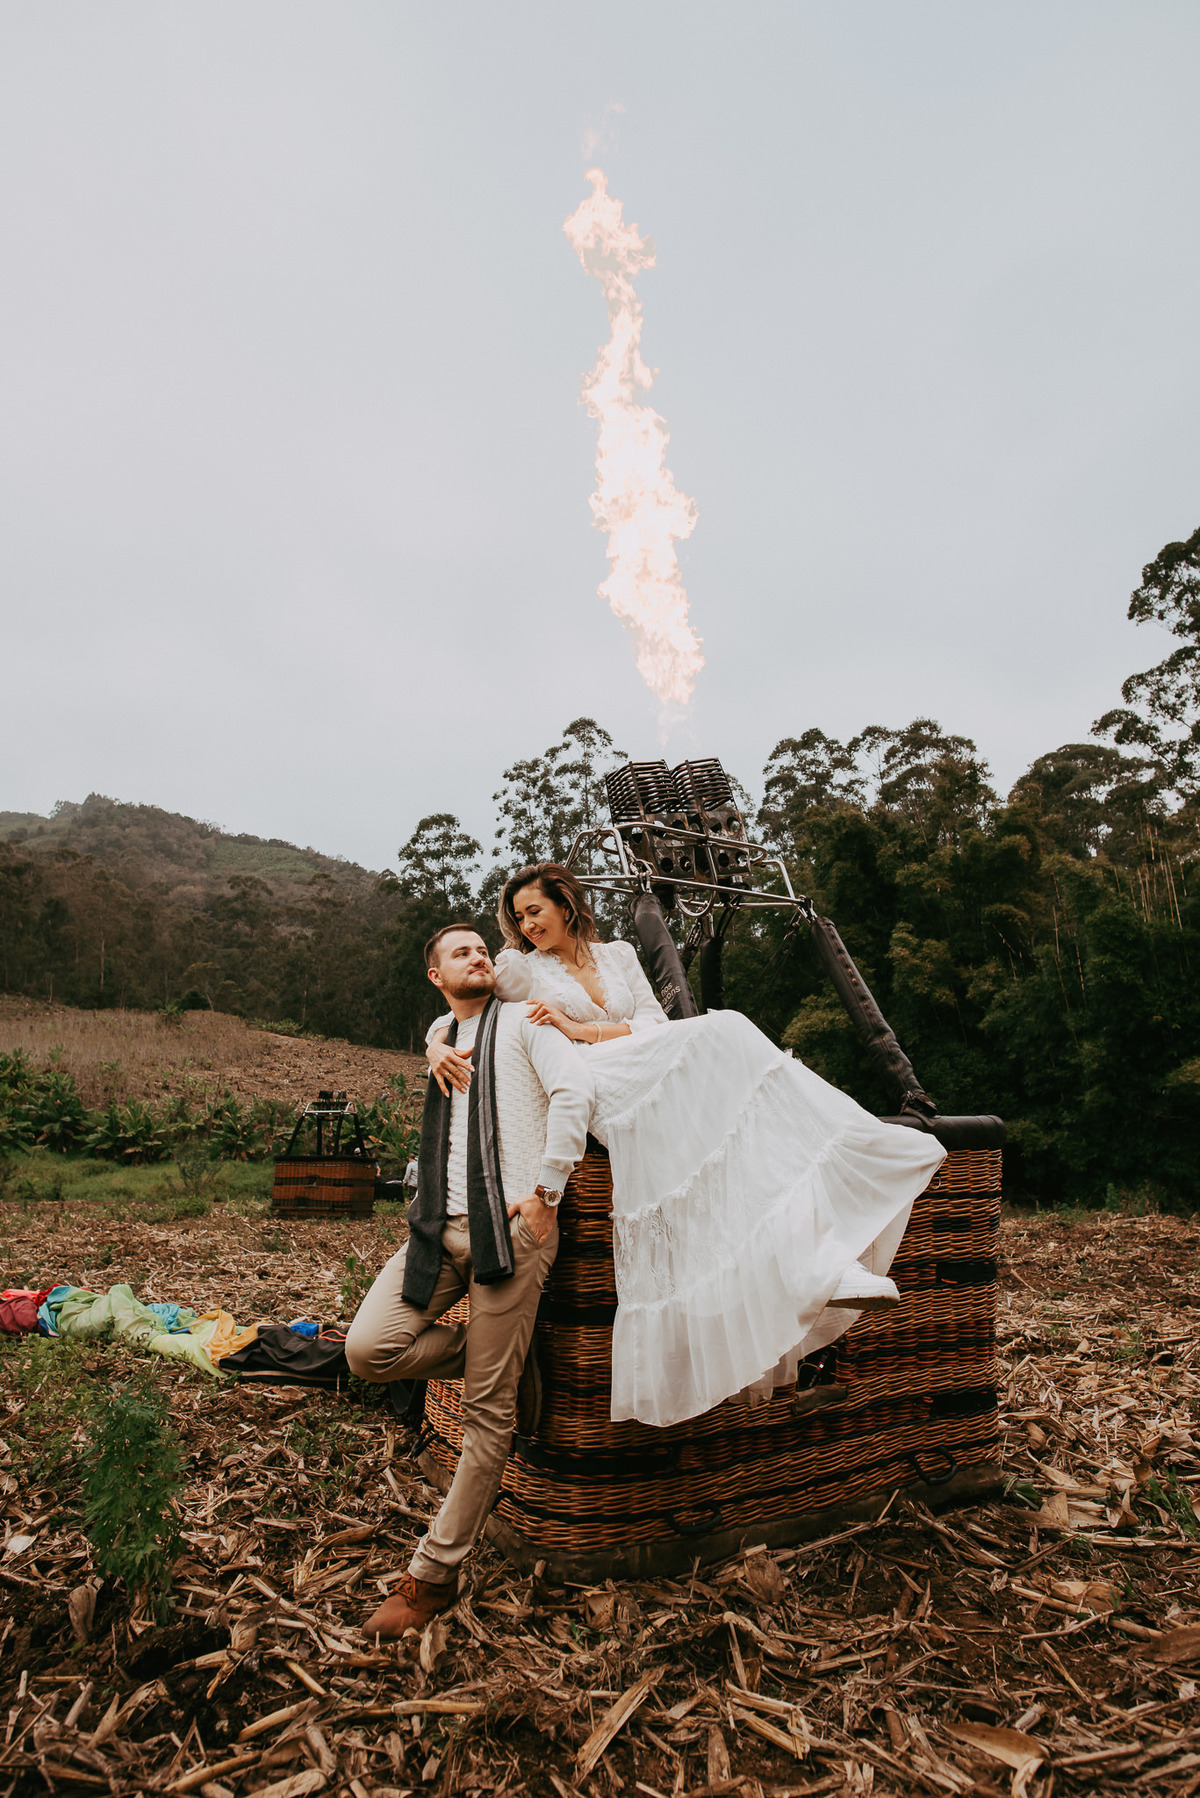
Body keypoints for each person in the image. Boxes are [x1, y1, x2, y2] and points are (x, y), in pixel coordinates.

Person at [426, 863, 946, 1430]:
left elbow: (653, 1020)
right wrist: (434, 1049)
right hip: (593, 1080)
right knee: (724, 1030)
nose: (526, 926)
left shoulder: (620, 954)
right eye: (519, 918)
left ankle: (817, 1256)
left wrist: (584, 1029)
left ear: (566, 903)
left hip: (633, 1055)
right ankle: (808, 1255)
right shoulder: (518, 969)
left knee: (729, 1055)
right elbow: (458, 1004)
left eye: (535, 911)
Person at [346, 922, 592, 1639]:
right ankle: (507, 1362)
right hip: (436, 1231)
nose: (479, 956)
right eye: (462, 952)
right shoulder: (443, 1033)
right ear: (435, 975)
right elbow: (439, 1028)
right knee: (368, 1352)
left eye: (484, 949)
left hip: (511, 1231)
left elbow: (573, 1097)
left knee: (489, 1418)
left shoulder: (524, 1023)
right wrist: (433, 1046)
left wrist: (546, 1197)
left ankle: (431, 1576)